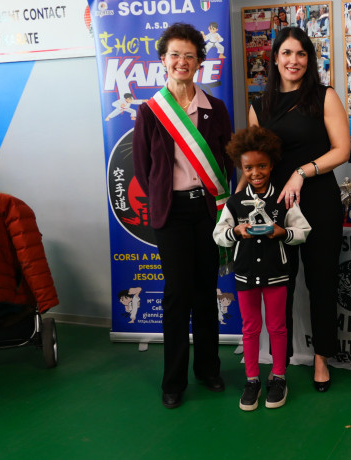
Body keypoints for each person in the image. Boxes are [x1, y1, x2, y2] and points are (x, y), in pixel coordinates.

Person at [133, 23, 233, 409]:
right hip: (172, 213)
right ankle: (172, 380)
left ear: (199, 62)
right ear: (163, 59)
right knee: (177, 294)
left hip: (208, 210)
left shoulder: (215, 109)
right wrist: (164, 196)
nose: (182, 61)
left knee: (206, 290)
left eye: (189, 55)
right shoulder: (150, 111)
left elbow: (227, 159)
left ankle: (208, 369)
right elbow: (143, 168)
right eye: (175, 54)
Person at [248, 27, 350, 392]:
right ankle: (281, 361)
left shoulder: (324, 96)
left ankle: (322, 359)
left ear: (309, 59)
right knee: (280, 286)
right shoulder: (259, 105)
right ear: (275, 59)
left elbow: (342, 150)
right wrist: (240, 202)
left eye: (302, 54)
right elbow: (253, 160)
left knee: (322, 282)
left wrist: (301, 173)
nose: (294, 60)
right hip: (275, 206)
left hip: (319, 200)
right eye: (287, 53)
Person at [214, 126, 312, 411]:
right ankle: (252, 380)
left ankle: (279, 377)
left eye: (262, 166)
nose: (256, 172)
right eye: (249, 168)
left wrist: (283, 233)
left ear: (271, 165)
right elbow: (218, 235)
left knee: (278, 326)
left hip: (276, 272)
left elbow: (304, 230)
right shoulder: (234, 203)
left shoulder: (282, 198)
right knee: (250, 327)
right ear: (241, 167)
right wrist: (236, 231)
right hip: (245, 273)